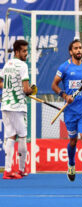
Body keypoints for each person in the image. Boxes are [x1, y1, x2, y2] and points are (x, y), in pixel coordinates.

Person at [51, 39, 82, 187]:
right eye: (76, 48)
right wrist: (65, 96)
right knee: (73, 141)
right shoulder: (64, 67)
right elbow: (54, 85)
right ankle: (71, 164)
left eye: (80, 48)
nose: (79, 50)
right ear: (71, 52)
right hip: (70, 112)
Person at [0, 40, 36, 179]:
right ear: (16, 52)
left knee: (10, 136)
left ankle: (8, 170)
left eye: (27, 51)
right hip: (17, 106)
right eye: (24, 51)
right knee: (21, 137)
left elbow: (0, 83)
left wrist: (11, 88)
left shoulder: (7, 64)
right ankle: (21, 169)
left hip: (6, 105)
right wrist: (30, 90)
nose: (26, 53)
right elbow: (27, 90)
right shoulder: (22, 65)